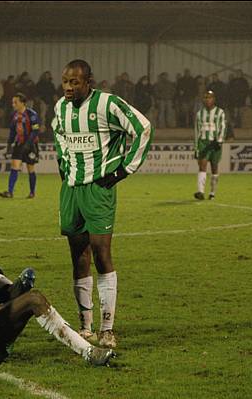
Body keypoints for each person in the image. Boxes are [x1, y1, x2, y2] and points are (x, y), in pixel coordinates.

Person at [52, 59, 153, 348]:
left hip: (98, 189)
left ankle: (107, 328)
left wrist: (123, 170)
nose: (69, 87)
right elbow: (58, 135)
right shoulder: (60, 108)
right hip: (71, 189)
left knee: (101, 254)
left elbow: (143, 128)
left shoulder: (108, 105)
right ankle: (85, 326)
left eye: (75, 82)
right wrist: (63, 165)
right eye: (65, 82)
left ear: (88, 82)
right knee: (78, 256)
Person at [0, 93, 41, 199]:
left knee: (30, 168)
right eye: (13, 102)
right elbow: (13, 131)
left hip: (31, 145)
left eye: (15, 102)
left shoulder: (32, 114)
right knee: (14, 166)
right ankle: (10, 192)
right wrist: (9, 143)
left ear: (22, 103)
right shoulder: (15, 115)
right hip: (19, 144)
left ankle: (32, 192)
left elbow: (35, 131)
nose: (13, 104)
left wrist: (28, 144)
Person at [193, 91, 226, 200]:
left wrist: (220, 141)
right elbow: (197, 131)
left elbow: (223, 127)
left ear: (214, 99)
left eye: (210, 98)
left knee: (214, 168)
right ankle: (200, 192)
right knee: (202, 165)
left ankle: (212, 192)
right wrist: (196, 147)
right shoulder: (199, 114)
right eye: (206, 98)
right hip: (203, 143)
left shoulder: (220, 112)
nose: (207, 100)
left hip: (215, 143)